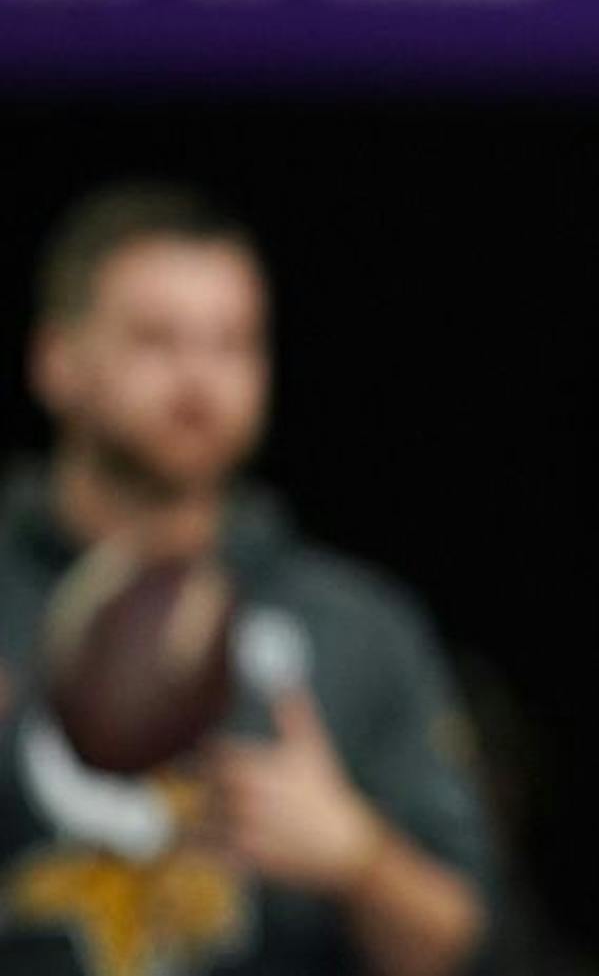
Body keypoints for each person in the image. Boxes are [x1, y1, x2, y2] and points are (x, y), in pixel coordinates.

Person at [0, 184, 494, 975]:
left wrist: (359, 857)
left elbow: (463, 941)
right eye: (156, 341)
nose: (199, 381)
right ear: (57, 360)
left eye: (232, 343)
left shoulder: (354, 627)